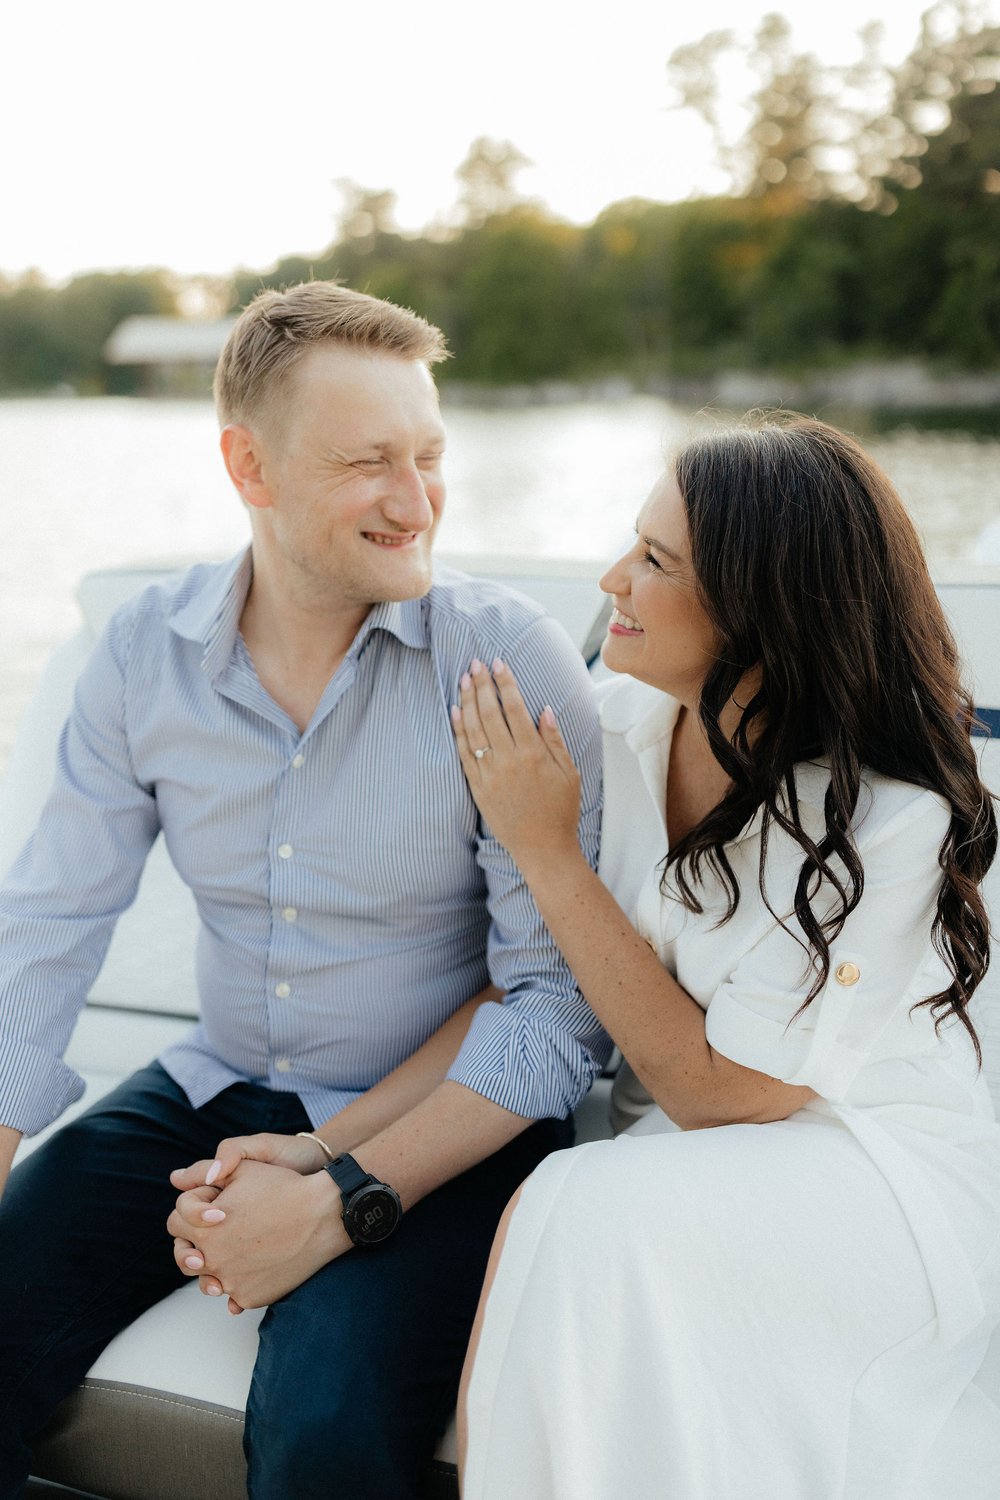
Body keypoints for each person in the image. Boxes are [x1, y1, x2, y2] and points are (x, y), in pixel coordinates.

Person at [0, 281, 608, 1499]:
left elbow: (557, 1007)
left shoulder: (504, 661)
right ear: (250, 465)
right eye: (367, 462)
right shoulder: (142, 654)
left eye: (429, 456)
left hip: (453, 1123)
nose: (416, 499)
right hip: (208, 1085)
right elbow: (51, 923)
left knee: (322, 1436)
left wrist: (334, 1186)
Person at [451, 414, 1000, 1500]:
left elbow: (717, 1095)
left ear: (763, 610)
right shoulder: (606, 737)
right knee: (581, 1212)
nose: (611, 577)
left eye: (655, 562)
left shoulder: (899, 819)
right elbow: (506, 974)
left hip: (873, 1168)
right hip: (669, 1151)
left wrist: (547, 852)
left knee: (576, 1210)